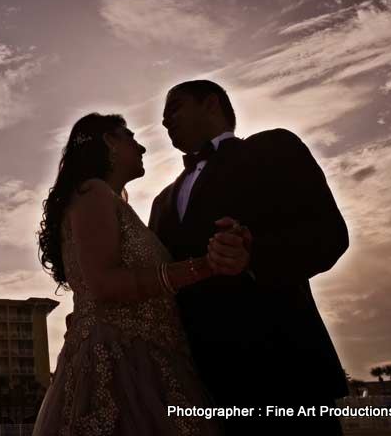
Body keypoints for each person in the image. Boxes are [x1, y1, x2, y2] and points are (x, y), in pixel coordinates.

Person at [149, 80, 349, 435]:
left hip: (286, 371)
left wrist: (253, 255)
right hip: (203, 387)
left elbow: (330, 235)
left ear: (211, 104)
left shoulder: (274, 147)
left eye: (174, 108)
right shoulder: (162, 201)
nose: (165, 121)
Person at [33, 112, 250, 436]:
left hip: (150, 360)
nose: (142, 148)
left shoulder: (111, 201)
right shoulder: (92, 193)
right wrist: (204, 266)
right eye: (131, 137)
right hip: (119, 367)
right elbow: (105, 284)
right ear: (109, 141)